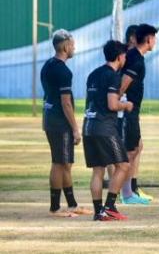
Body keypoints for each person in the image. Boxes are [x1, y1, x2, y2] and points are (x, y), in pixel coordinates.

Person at [42, 29, 92, 217]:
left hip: (49, 119)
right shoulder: (63, 71)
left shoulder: (47, 65)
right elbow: (66, 103)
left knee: (65, 164)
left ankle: (71, 204)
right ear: (64, 46)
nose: (74, 47)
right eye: (72, 44)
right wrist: (75, 129)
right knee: (59, 163)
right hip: (59, 122)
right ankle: (55, 208)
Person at [83, 40, 135, 221]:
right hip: (104, 127)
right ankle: (110, 207)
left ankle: (99, 212)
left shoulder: (93, 74)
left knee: (98, 170)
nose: (126, 58)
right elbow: (112, 104)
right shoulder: (113, 76)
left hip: (88, 126)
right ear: (120, 57)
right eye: (125, 56)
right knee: (123, 165)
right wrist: (126, 105)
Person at [118, 23, 158, 205]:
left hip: (132, 112)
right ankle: (124, 193)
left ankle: (127, 192)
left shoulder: (136, 56)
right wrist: (115, 104)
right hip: (127, 112)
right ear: (149, 39)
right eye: (154, 38)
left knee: (135, 148)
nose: (155, 41)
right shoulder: (136, 59)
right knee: (129, 150)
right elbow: (123, 84)